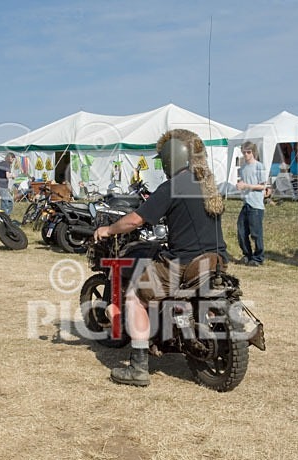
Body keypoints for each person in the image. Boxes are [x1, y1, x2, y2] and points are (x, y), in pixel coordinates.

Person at [93, 129, 227, 387]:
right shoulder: (209, 185)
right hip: (215, 259)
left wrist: (107, 229)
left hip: (183, 263)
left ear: (169, 159)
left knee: (135, 296)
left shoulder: (172, 187)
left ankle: (138, 367)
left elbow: (135, 219)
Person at [235, 141, 267, 267]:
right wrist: (240, 185)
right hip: (246, 203)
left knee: (256, 233)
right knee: (241, 230)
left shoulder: (259, 166)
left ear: (253, 152)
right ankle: (247, 254)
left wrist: (247, 186)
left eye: (248, 152)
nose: (246, 154)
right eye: (244, 152)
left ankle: (258, 257)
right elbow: (243, 182)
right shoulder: (242, 168)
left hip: (256, 205)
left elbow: (262, 185)